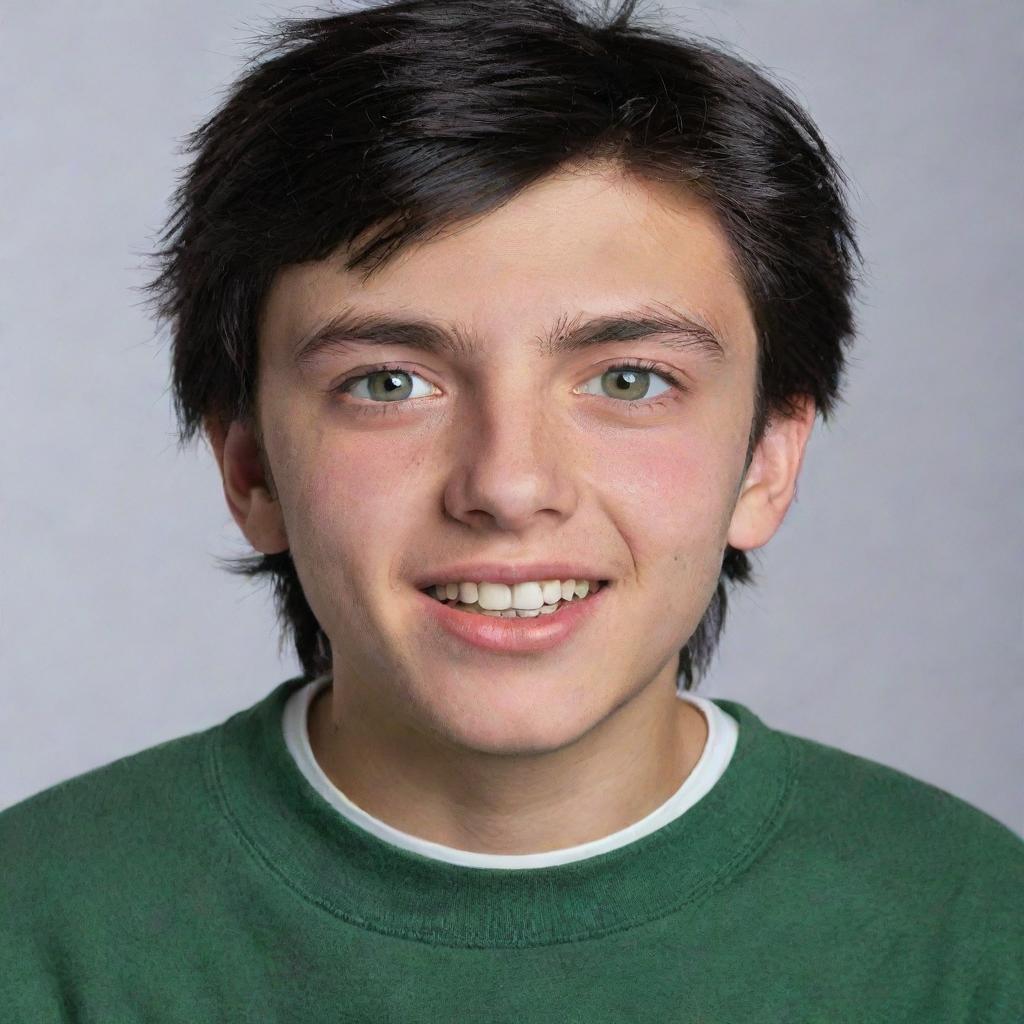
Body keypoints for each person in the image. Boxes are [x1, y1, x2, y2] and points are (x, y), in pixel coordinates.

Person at [2, 0, 1021, 1019]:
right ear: (249, 468)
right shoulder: (42, 929)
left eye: (627, 380)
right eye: (389, 383)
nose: (506, 483)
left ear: (766, 457)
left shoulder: (969, 929)